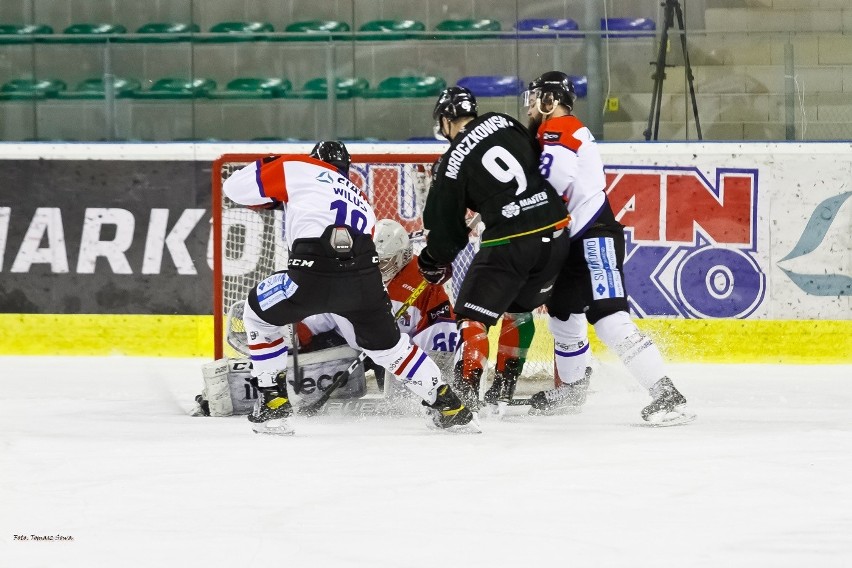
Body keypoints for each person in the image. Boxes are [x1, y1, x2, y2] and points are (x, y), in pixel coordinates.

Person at [222, 140, 479, 434]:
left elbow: (234, 188)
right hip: (365, 283)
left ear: (315, 159)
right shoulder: (358, 197)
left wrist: (270, 163)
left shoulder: (297, 167)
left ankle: (273, 405)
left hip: (312, 271)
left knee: (257, 314)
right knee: (392, 350)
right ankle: (451, 407)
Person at [524, 71, 695, 425]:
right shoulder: (551, 132)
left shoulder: (562, 127)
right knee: (562, 313)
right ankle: (572, 390)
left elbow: (555, 180)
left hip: (594, 236)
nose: (531, 105)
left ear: (550, 100)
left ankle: (668, 395)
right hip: (573, 241)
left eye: (537, 96)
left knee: (608, 317)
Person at [417, 86, 571, 411]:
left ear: (446, 120)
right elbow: (539, 157)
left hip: (511, 240)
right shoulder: (503, 121)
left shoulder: (452, 160)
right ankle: (501, 395)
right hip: (556, 230)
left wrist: (434, 258)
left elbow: (445, 229)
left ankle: (466, 402)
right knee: (518, 311)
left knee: (473, 318)